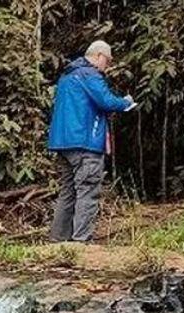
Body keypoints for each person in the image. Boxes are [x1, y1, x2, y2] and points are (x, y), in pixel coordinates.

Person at [47, 40, 137, 243]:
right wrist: (126, 102)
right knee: (88, 191)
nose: (108, 66)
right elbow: (106, 101)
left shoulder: (67, 76)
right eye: (108, 61)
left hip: (63, 143)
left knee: (68, 192)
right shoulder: (89, 74)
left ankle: (58, 240)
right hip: (84, 143)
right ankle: (81, 241)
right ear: (99, 56)